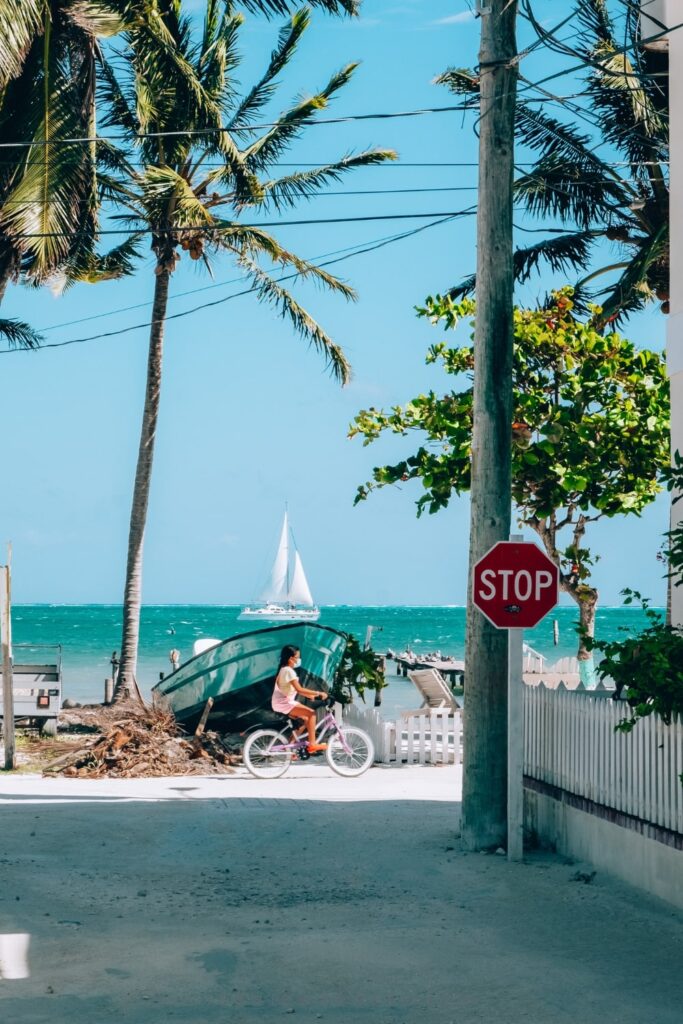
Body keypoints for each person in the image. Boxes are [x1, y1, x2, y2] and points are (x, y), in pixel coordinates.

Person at [272, 645, 328, 753]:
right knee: (311, 714)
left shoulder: (284, 669)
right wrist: (319, 693)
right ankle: (313, 744)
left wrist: (310, 696)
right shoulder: (288, 671)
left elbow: (292, 689)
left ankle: (290, 748)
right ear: (290, 658)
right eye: (297, 657)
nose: (299, 660)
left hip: (282, 702)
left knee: (304, 720)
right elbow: (300, 689)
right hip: (284, 703)